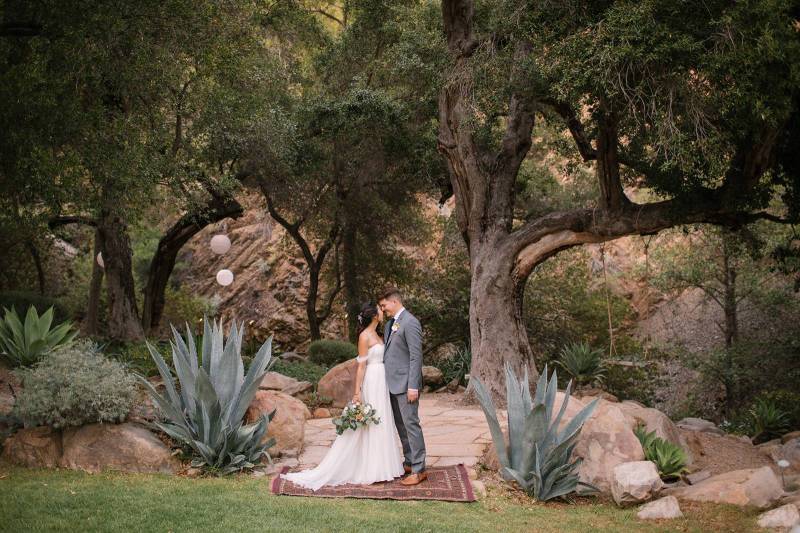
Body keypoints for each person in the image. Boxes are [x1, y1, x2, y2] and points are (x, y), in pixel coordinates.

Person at [281, 302, 403, 490]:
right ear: (373, 316)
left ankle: (384, 466)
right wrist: (357, 392)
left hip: (382, 380)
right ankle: (373, 469)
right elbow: (361, 366)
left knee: (384, 420)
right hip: (372, 380)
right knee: (374, 422)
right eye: (379, 309)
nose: (382, 311)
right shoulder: (364, 337)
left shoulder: (380, 334)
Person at [378, 287, 427, 485]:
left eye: (384, 305)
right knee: (401, 426)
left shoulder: (410, 322)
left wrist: (413, 386)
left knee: (411, 425)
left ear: (394, 302)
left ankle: (419, 469)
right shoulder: (391, 325)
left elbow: (416, 356)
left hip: (407, 385)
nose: (383, 309)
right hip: (391, 385)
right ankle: (409, 461)